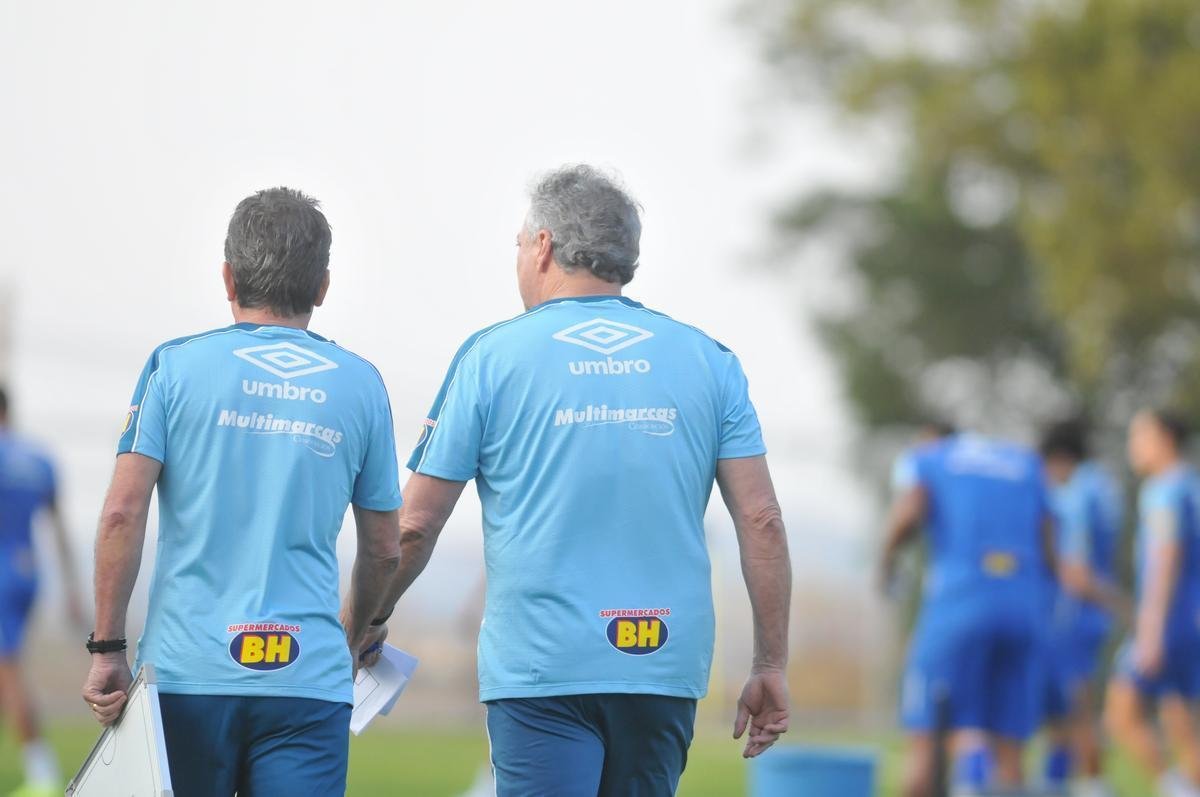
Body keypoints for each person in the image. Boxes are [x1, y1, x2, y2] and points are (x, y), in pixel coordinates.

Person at [363, 165, 792, 796]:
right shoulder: (709, 359)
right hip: (662, 667)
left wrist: (367, 622)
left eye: (517, 244)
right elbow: (762, 521)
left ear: (543, 246)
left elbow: (416, 524)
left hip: (543, 671)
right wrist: (770, 662)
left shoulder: (491, 356)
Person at [80, 188, 402, 796]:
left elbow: (123, 514)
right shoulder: (362, 385)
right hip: (305, 679)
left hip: (186, 676)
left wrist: (107, 648)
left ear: (227, 277)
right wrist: (357, 630)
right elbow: (385, 549)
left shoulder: (173, 368)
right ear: (323, 287)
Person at [882, 432, 1056, 797]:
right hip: (1022, 607)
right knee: (1010, 753)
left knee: (926, 744)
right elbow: (1049, 541)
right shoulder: (1025, 462)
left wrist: (886, 561)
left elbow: (910, 510)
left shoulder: (931, 458)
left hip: (960, 602)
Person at [1105, 409, 1200, 797]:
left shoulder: (1163, 490)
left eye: (1138, 435)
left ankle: (1174, 788)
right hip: (1189, 621)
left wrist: (1150, 629)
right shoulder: (1191, 485)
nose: (1133, 446)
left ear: (1164, 438)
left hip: (1169, 621)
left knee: (1120, 714)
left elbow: (1165, 557)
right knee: (1182, 723)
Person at [0, 386, 84, 797]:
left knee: (8, 670)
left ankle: (43, 775)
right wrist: (71, 588)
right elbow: (58, 526)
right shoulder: (37, 458)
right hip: (28, 569)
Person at [1039, 420, 1124, 797]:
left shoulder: (1074, 494)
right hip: (1092, 619)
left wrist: (1121, 604)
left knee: (1072, 715)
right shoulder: (1105, 487)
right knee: (1072, 712)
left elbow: (1074, 568)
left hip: (1070, 615)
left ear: (1058, 459)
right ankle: (1067, 785)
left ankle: (1089, 788)